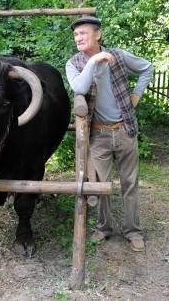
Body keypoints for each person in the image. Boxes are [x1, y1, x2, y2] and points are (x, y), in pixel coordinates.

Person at [65, 16, 153, 252]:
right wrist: (93, 60)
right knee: (100, 185)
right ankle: (104, 228)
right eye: (76, 35)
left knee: (130, 183)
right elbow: (79, 88)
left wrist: (137, 94)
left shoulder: (119, 56)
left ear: (98, 34)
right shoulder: (73, 64)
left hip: (125, 130)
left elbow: (147, 68)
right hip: (98, 135)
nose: (78, 38)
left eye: (83, 33)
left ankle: (133, 231)